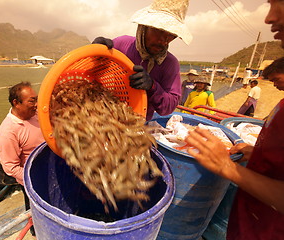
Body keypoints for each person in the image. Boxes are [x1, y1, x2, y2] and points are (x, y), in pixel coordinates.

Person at [185, 57, 284, 239]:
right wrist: (256, 153)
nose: (275, 86)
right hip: (250, 216)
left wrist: (227, 166)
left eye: (277, 80)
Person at [92, 0, 192, 120]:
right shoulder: (121, 44)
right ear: (144, 27)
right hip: (105, 114)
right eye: (159, 31)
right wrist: (96, 52)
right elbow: (95, 72)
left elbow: (169, 107)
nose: (163, 41)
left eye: (171, 36)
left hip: (138, 124)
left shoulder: (170, 64)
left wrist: (153, 87)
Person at [0, 81, 44, 236]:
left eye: (36, 99)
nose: (36, 104)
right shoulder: (7, 132)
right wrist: (32, 179)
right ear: (16, 103)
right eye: (32, 101)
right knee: (37, 213)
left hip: (51, 167)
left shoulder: (35, 114)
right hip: (33, 180)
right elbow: (10, 167)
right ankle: (37, 232)